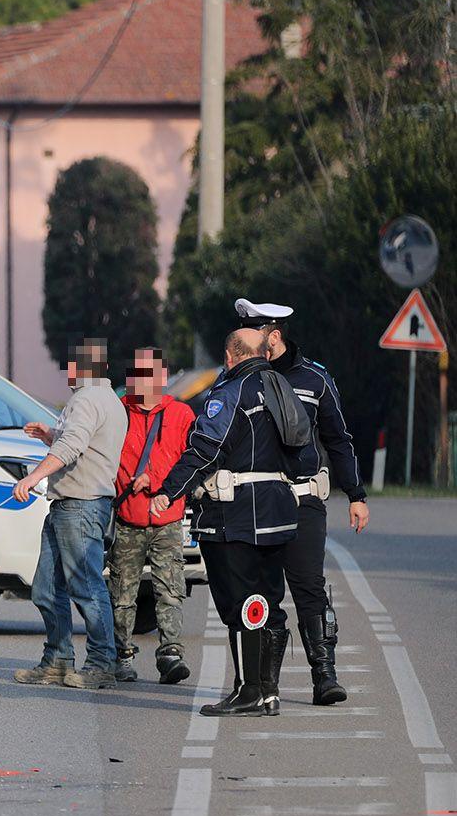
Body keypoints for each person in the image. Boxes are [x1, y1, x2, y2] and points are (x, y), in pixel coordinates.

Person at [151, 327, 299, 716]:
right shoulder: (280, 386)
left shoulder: (231, 391)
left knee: (240, 603)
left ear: (230, 356)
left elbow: (204, 449)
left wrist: (169, 490)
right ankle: (268, 691)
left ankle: (247, 690)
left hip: (235, 515)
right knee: (267, 601)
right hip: (277, 512)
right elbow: (302, 446)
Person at [248, 298, 370, 705]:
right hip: (258, 502)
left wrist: (356, 495)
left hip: (303, 501)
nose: (244, 340)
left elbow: (338, 438)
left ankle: (324, 677)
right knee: (263, 590)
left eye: (253, 333)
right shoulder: (241, 379)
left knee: (308, 587)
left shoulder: (315, 379)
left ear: (273, 336)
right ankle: (265, 685)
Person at [10, 339, 129, 690]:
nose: (67, 375)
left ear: (80, 368)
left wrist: (34, 476)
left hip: (81, 505)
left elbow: (73, 445)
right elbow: (82, 443)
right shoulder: (106, 399)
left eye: (70, 368)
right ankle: (58, 660)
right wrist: (52, 435)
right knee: (46, 588)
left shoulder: (88, 399)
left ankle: (102, 662)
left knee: (86, 587)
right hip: (71, 505)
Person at [108, 348, 196, 684]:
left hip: (167, 518)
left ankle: (170, 653)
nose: (140, 379)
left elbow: (190, 461)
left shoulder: (182, 414)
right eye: (135, 372)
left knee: (170, 589)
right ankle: (123, 655)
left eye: (148, 372)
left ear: (162, 376)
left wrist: (155, 480)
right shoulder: (118, 414)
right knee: (122, 593)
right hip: (128, 518)